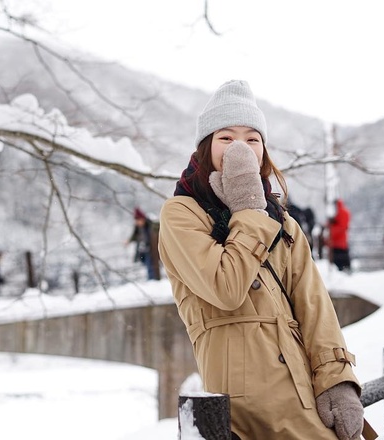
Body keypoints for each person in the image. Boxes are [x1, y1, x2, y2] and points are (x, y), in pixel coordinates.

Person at [158, 80, 373, 440]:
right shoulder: (181, 213)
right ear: (206, 146)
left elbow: (313, 305)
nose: (240, 147)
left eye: (252, 139)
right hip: (246, 406)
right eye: (226, 138)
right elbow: (226, 288)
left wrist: (337, 380)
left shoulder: (281, 219)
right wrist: (247, 206)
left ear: (263, 150)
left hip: (303, 389)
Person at [126, 208, 157, 280]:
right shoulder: (138, 227)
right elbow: (134, 235)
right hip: (142, 249)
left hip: (151, 248)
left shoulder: (150, 225)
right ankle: (151, 278)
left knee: (150, 264)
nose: (137, 222)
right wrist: (129, 241)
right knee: (145, 263)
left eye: (138, 220)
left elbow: (156, 233)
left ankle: (152, 279)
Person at [327, 199, 351, 272]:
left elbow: (341, 228)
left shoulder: (340, 213)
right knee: (342, 262)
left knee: (339, 263)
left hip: (338, 243)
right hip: (341, 243)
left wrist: (330, 231)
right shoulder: (341, 213)